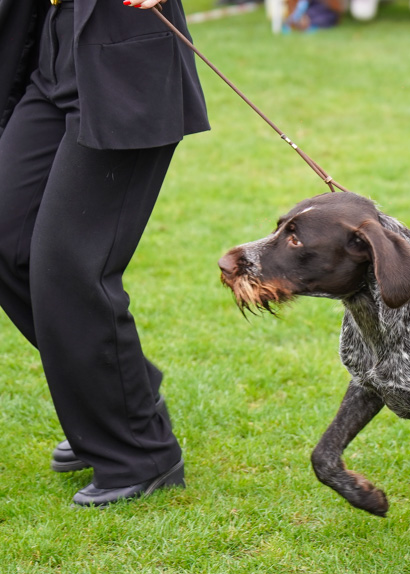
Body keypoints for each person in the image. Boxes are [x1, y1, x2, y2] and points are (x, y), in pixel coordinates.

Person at [0, 0, 209, 506]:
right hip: (48, 49)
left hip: (125, 63)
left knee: (69, 265)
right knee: (8, 245)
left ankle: (142, 454)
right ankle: (119, 394)